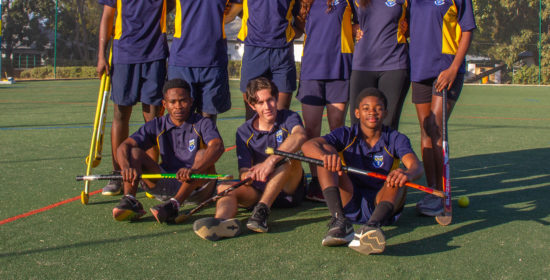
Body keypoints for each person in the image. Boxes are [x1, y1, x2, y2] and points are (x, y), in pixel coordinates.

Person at [97, 0, 174, 196]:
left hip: (155, 55)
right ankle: (118, 173)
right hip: (124, 56)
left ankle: (152, 176)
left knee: (152, 116)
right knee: (121, 113)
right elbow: (107, 17)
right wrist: (101, 55)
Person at [302, 88, 423, 255]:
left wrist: (407, 174)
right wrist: (325, 156)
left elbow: (416, 166)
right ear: (357, 113)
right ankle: (339, 221)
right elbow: (307, 146)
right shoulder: (346, 134)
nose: (372, 112)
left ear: (386, 112)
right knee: (327, 153)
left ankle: (371, 228)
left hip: (381, 202)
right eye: (366, 108)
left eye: (378, 108)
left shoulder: (396, 138)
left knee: (399, 175)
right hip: (350, 199)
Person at [192, 77, 307, 241]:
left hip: (290, 190)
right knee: (225, 187)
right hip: (259, 190)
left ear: (276, 99)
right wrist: (249, 175)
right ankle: (222, 223)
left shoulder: (289, 117)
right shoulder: (243, 132)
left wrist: (270, 162)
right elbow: (244, 171)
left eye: (270, 100)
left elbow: (300, 135)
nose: (267, 107)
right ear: (253, 106)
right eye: (260, 103)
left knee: (289, 157)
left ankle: (262, 211)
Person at [410, 0, 475, 216]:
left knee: (436, 130)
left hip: (445, 71)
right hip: (419, 71)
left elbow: (467, 30)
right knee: (426, 132)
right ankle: (433, 190)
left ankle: (443, 193)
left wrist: (453, 68)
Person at [112, 78, 225, 223]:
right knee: (134, 153)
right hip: (166, 183)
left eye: (183, 101)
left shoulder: (203, 123)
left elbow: (217, 146)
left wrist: (195, 170)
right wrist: (126, 167)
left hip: (197, 186)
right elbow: (124, 146)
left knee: (203, 154)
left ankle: (175, 204)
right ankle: (130, 200)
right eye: (172, 102)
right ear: (165, 104)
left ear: (191, 101)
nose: (178, 106)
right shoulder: (157, 124)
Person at [295, 0, 356, 202]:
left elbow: (362, 23)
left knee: (335, 131)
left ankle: (339, 181)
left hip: (339, 71)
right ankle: (316, 183)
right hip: (310, 73)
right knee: (310, 133)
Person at [230, 0, 301, 119]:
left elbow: (301, 15)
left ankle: (279, 149)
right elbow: (235, 10)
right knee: (252, 114)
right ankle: (251, 149)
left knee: (281, 114)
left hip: (283, 52)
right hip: (254, 51)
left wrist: (293, 32)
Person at [166, 0, 235, 124]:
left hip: (214, 62)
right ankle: (178, 156)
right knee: (181, 120)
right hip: (181, 62)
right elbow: (165, 8)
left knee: (208, 121)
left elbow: (238, 6)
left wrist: (222, 20)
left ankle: (206, 156)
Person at [349, 0, 413, 131]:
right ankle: (358, 163)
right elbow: (353, 21)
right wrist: (353, 28)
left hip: (394, 65)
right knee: (358, 124)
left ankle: (387, 162)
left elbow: (416, 24)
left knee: (387, 124)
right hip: (362, 65)